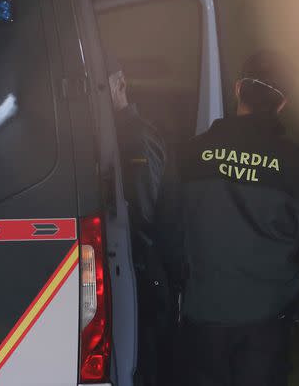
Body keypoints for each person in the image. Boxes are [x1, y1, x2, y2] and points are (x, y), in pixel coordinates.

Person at [177, 51, 299, 386]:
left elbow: (166, 233)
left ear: (237, 89)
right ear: (283, 103)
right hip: (267, 319)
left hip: (203, 314)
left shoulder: (189, 154)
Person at [106, 55, 181, 386]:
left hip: (145, 269)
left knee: (147, 364)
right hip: (135, 268)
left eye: (101, 84)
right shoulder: (114, 134)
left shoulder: (135, 137)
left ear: (120, 83)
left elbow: (143, 214)